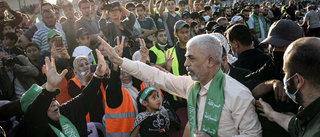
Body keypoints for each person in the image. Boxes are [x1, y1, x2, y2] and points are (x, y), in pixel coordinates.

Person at [98, 33, 262, 136]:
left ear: (210, 61)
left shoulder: (238, 94)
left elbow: (253, 134)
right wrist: (120, 61)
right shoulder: (191, 85)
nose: (185, 64)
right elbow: (156, 75)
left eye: (191, 58)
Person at [14, 49, 109, 137]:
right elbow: (36, 111)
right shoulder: (30, 128)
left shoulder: (64, 112)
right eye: (48, 102)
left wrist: (98, 75)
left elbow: (85, 98)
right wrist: (49, 88)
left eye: (54, 99)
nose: (54, 103)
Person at [246, 19, 302, 137]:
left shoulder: (308, 71)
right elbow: (245, 85)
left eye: (279, 46)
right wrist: (272, 84)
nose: (274, 50)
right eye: (271, 45)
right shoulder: (272, 64)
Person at [256, 37, 320, 137]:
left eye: (285, 72)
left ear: (298, 80)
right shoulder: (311, 113)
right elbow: (296, 126)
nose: (284, 78)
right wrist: (272, 114)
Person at [68, 56, 107, 123]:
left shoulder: (97, 78)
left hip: (102, 118)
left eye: (87, 64)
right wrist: (84, 82)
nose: (85, 67)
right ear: (76, 69)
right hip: (86, 121)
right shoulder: (72, 83)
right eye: (81, 65)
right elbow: (82, 100)